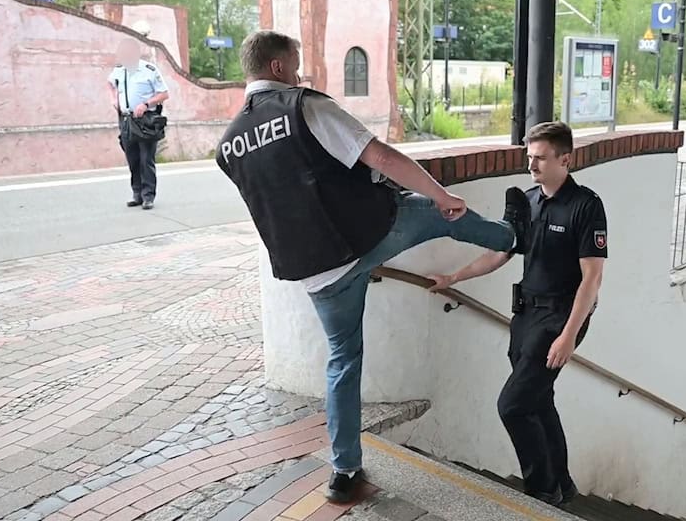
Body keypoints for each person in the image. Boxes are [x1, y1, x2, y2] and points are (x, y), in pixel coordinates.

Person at [215, 30, 532, 503]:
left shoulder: (229, 145)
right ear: (279, 68)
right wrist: (440, 194)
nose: (299, 73)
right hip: (364, 236)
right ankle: (512, 235)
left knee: (343, 361)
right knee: (437, 216)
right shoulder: (303, 107)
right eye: (295, 64)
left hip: (314, 272)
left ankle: (344, 472)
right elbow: (379, 155)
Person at [429, 121, 607, 506]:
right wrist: (454, 277)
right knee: (539, 401)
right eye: (529, 157)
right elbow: (499, 253)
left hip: (559, 319)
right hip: (525, 318)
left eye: (540, 158)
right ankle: (564, 485)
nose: (532, 166)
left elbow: (592, 279)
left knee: (512, 405)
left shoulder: (586, 205)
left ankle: (541, 492)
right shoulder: (526, 201)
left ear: (565, 159)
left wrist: (569, 335)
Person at [108, 39, 170, 210]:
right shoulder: (119, 71)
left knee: (146, 159)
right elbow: (110, 85)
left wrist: (146, 104)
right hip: (126, 119)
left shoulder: (149, 70)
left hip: (145, 120)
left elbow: (164, 94)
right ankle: (137, 194)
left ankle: (148, 195)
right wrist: (114, 100)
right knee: (132, 158)